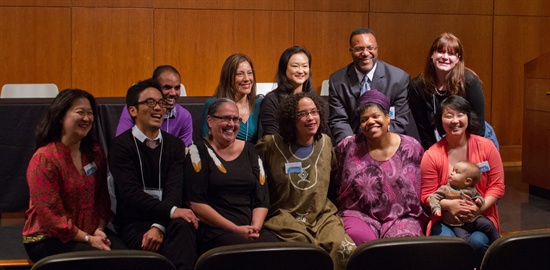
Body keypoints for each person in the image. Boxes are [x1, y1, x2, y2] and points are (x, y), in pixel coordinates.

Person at [256, 91, 355, 270]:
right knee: (307, 252)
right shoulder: (271, 145)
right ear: (291, 120)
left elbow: (332, 179)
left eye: (314, 112)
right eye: (302, 114)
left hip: (321, 215)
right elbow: (254, 177)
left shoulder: (325, 143)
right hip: (285, 216)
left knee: (345, 249)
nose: (310, 118)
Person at [109, 79, 199, 270]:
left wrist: (159, 226)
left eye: (161, 103)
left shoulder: (174, 145)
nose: (158, 108)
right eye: (150, 103)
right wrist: (171, 212)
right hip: (134, 220)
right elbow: (130, 194)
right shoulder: (120, 146)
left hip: (165, 219)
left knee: (184, 229)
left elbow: (174, 189)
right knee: (160, 254)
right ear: (132, 110)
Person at [23, 89, 118, 262]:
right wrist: (88, 239)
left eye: (90, 113)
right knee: (104, 262)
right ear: (60, 116)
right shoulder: (44, 159)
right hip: (49, 238)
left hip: (91, 231)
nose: (87, 118)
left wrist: (99, 228)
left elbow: (103, 198)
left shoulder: (95, 153)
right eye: (80, 112)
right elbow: (52, 217)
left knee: (131, 258)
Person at [334, 89, 427, 246]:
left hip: (403, 216)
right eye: (364, 119)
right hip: (359, 214)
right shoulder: (347, 146)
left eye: (375, 116)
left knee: (403, 245)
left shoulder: (411, 147)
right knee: (358, 240)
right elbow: (331, 174)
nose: (370, 121)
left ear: (388, 118)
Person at [421, 95, 505, 267]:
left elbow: (497, 186)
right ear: (440, 120)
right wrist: (448, 205)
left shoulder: (486, 146)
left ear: (468, 117)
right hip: (444, 218)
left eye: (460, 114)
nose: (455, 120)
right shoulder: (431, 155)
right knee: (450, 245)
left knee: (479, 241)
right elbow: (427, 195)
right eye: (449, 115)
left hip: (481, 214)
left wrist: (478, 208)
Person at [187, 98, 280, 253]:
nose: (232, 124)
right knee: (245, 254)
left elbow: (262, 199)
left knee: (279, 253)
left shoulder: (250, 150)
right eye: (225, 118)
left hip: (251, 228)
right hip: (216, 230)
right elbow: (196, 203)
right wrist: (235, 229)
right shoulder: (197, 151)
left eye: (236, 119)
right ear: (210, 121)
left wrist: (254, 228)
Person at [329, 27, 417, 144]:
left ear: (377, 48)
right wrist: (352, 146)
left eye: (370, 48)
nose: (365, 53)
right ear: (351, 51)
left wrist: (377, 139)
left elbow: (399, 120)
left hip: (387, 144)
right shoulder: (337, 81)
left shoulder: (398, 79)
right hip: (352, 143)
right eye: (359, 49)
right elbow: (338, 120)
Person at [409, 33, 491, 150]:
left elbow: (477, 126)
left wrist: (464, 154)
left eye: (451, 53)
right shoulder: (418, 86)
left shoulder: (469, 81)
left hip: (473, 139)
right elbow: (423, 129)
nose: (445, 57)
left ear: (458, 59)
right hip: (436, 142)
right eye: (441, 52)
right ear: (432, 55)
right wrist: (438, 155)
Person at [116, 65, 193, 146]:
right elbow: (121, 143)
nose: (173, 93)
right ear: (155, 88)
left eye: (177, 88)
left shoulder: (184, 116)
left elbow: (184, 152)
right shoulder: (136, 108)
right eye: (167, 87)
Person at [429, 160, 500, 244]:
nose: (452, 173)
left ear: (467, 181)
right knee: (464, 240)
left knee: (488, 224)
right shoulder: (445, 189)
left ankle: (498, 244)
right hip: (456, 223)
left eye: (457, 172)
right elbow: (434, 197)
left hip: (473, 219)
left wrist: (478, 200)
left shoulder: (471, 190)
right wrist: (436, 208)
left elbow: (479, 196)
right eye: (452, 171)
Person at [200, 54, 263, 143]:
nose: (247, 78)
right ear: (228, 78)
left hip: (250, 155)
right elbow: (206, 140)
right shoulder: (213, 104)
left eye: (249, 73)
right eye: (240, 74)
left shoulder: (259, 104)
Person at [260, 46, 315, 136]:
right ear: (284, 68)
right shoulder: (272, 100)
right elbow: (272, 138)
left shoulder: (313, 98)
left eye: (305, 66)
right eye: (295, 66)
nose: (301, 71)